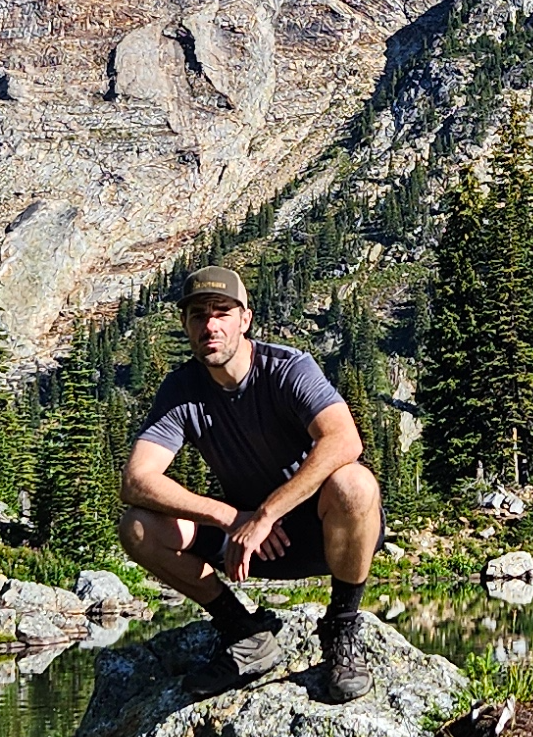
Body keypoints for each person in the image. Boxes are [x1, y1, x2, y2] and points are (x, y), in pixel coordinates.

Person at [119, 266, 383, 699]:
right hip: (247, 539)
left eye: (222, 311)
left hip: (322, 529)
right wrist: (232, 518)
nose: (210, 325)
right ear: (185, 325)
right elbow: (137, 480)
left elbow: (344, 439)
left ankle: (341, 630)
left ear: (246, 319)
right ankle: (244, 632)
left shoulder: (288, 368)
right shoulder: (181, 389)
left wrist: (266, 514)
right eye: (197, 315)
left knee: (355, 484)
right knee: (138, 527)